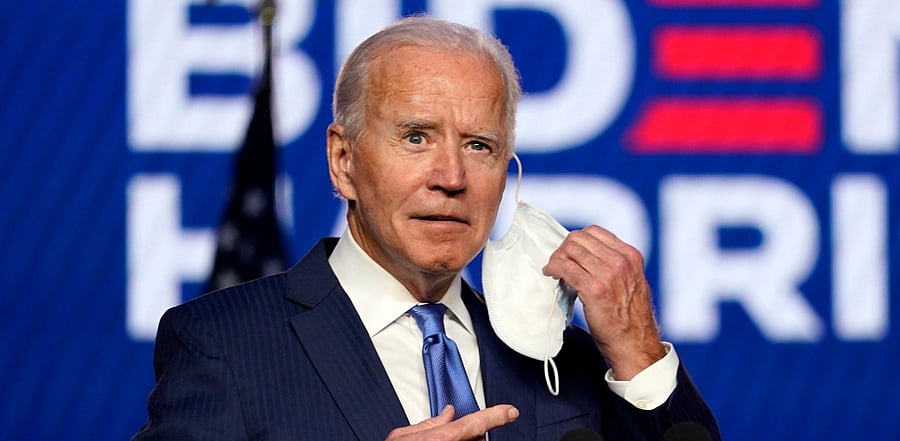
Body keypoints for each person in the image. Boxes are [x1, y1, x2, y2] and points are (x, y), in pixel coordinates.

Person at [134, 15, 720, 441]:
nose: (451, 177)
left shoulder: (565, 357)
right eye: (416, 138)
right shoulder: (223, 343)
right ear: (344, 162)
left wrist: (639, 354)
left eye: (479, 145)